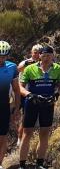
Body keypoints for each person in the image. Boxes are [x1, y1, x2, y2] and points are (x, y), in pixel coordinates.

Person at [18, 45, 60, 169]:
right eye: (44, 56)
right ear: (39, 56)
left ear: (53, 56)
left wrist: (57, 95)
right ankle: (22, 164)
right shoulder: (30, 69)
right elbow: (20, 87)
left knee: (44, 133)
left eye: (49, 56)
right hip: (32, 103)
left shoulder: (58, 69)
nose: (46, 58)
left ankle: (39, 163)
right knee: (27, 133)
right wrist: (30, 95)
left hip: (48, 104)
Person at [0, 41, 21, 169]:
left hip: (3, 107)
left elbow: (17, 89)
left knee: (2, 137)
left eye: (4, 56)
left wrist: (17, 109)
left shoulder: (12, 67)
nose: (1, 58)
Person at [16, 44, 42, 145]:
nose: (36, 55)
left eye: (39, 53)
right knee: (20, 116)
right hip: (22, 93)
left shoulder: (42, 64)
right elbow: (17, 69)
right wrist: (26, 63)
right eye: (35, 52)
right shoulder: (26, 62)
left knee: (29, 117)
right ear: (31, 53)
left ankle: (23, 139)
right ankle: (19, 138)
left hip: (34, 94)